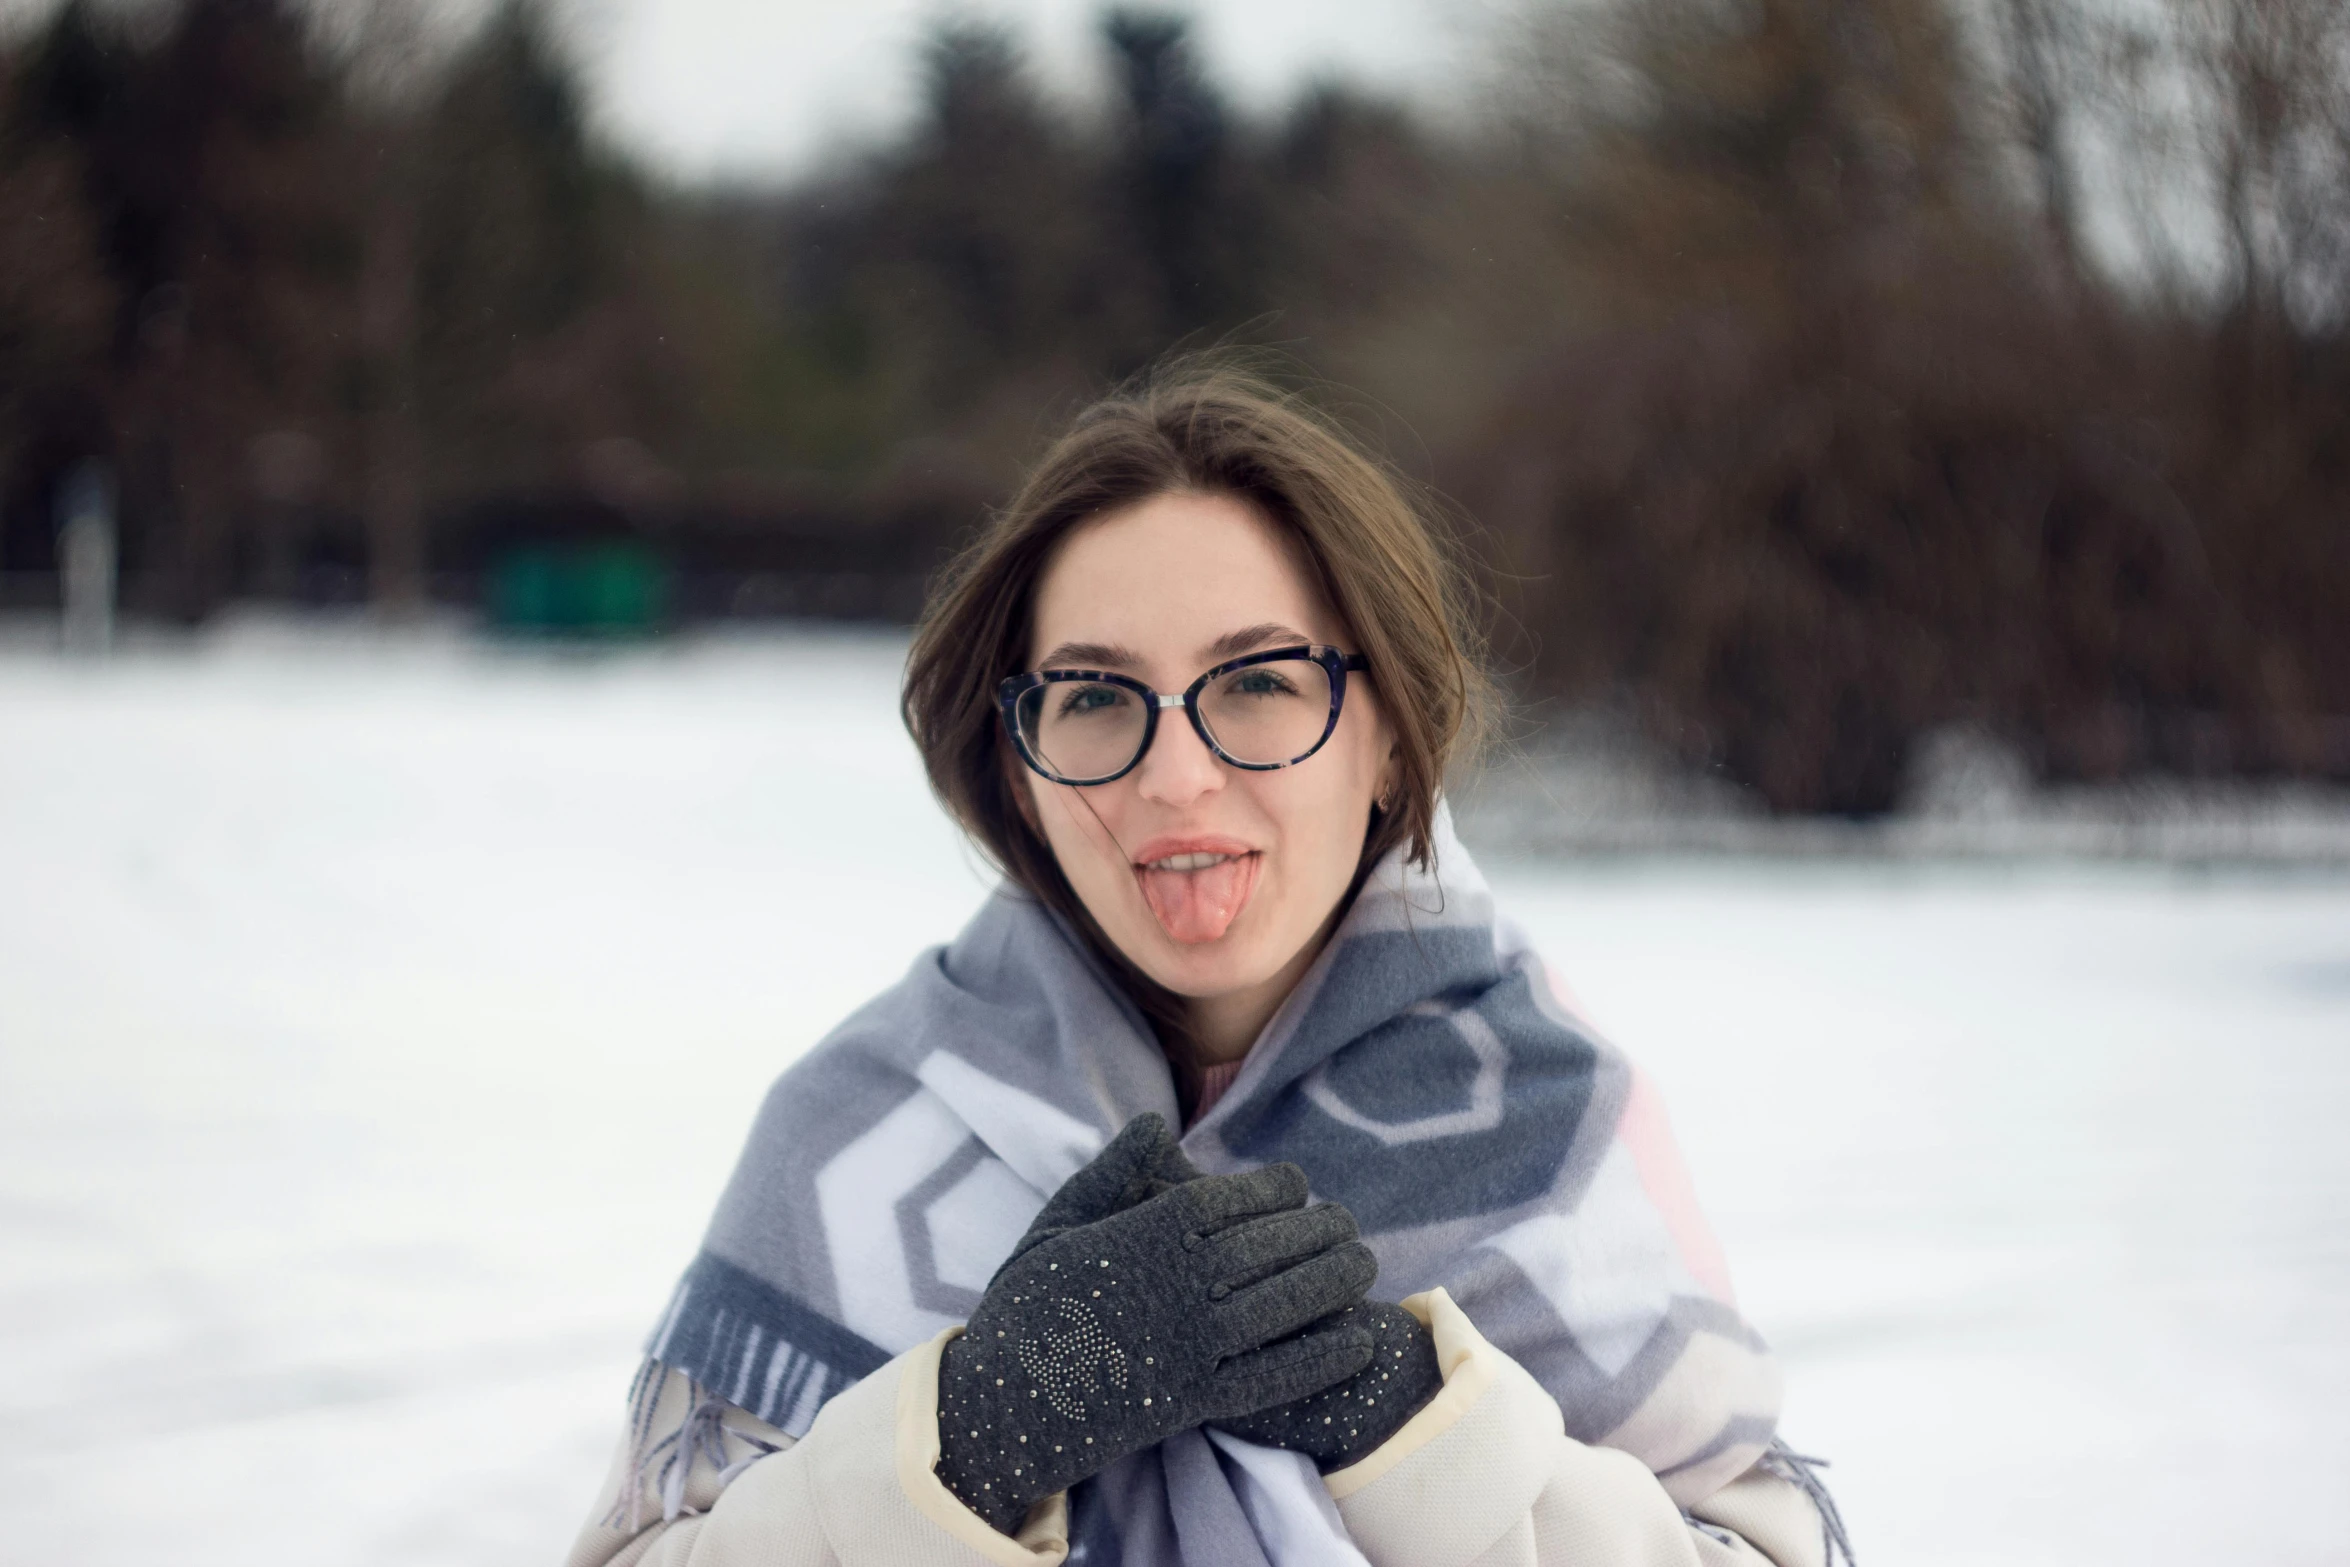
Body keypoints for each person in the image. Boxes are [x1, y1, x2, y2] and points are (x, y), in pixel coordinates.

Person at [566, 365, 1849, 1567]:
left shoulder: (1549, 1126)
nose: (1176, 777)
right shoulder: (854, 1137)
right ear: (1017, 765)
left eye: (1257, 681)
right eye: (1093, 697)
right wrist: (962, 1444)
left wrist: (1425, 1437)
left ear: (1390, 737)